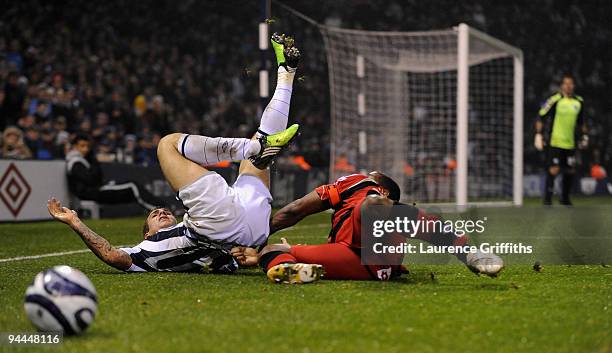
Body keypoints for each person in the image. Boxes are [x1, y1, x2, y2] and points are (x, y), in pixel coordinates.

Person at [47, 33, 314, 274]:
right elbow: (111, 254)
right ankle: (256, 149)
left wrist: (252, 252)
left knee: (260, 141)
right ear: (147, 234)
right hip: (220, 224)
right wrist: (75, 222)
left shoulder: (180, 232)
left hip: (251, 229)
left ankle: (286, 73)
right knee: (167, 145)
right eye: (154, 216)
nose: (161, 212)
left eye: (161, 211)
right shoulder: (146, 251)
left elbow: (239, 256)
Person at [235, 172, 503, 284]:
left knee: (371, 205)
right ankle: (281, 267)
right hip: (365, 262)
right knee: (274, 250)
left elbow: (295, 210)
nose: (367, 173)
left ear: (385, 189)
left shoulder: (362, 184)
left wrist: (254, 234)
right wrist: (260, 252)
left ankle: (465, 251)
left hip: (362, 244)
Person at [65, 133, 164, 212]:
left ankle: (161, 208)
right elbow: (91, 180)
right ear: (74, 146)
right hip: (92, 192)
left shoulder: (80, 160)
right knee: (132, 186)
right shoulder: (75, 161)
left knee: (132, 187)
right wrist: (94, 161)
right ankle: (160, 209)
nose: (85, 149)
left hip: (95, 189)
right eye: (82, 146)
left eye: (87, 146)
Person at [534, 74, 588, 206]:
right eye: (566, 83)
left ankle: (565, 198)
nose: (568, 86)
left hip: (570, 143)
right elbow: (541, 116)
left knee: (570, 170)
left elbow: (582, 122)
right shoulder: (555, 99)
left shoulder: (579, 101)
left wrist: (585, 136)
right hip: (555, 141)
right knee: (553, 169)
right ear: (562, 85)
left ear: (573, 86)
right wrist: (538, 134)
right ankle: (547, 199)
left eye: (571, 83)